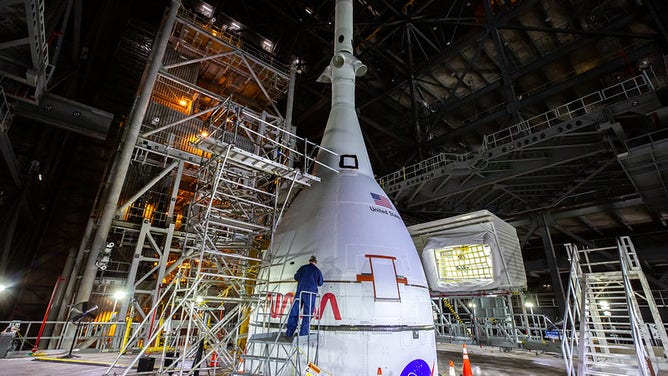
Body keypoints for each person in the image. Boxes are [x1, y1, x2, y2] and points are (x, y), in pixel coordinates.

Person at [285, 255, 324, 337]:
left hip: (300, 293)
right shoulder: (317, 271)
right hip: (310, 295)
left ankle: (289, 333)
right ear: (315, 262)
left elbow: (296, 277)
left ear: (309, 261)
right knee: (307, 314)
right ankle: (303, 334)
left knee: (294, 312)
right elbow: (320, 283)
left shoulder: (303, 268)